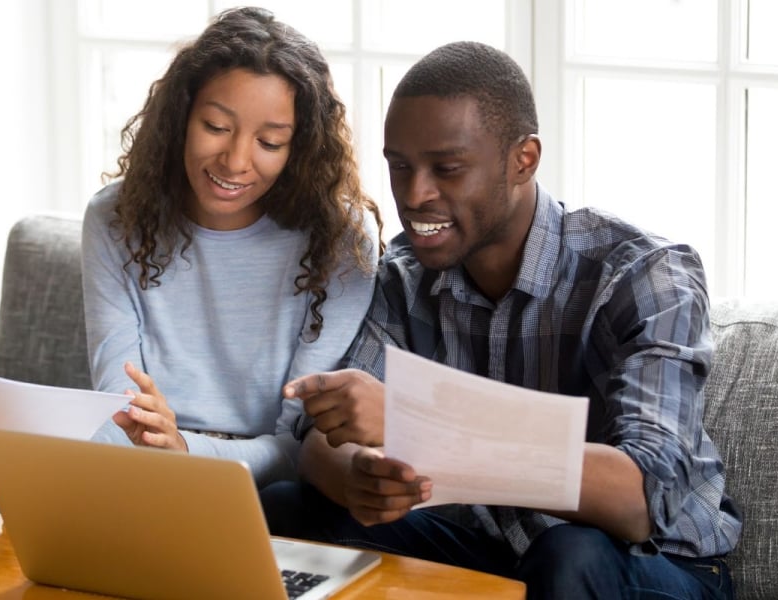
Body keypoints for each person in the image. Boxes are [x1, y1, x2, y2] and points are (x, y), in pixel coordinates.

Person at [261, 41, 743, 598]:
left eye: (447, 169)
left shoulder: (643, 275)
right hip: (494, 556)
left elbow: (642, 500)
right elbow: (323, 442)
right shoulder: (402, 275)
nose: (415, 195)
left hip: (649, 566)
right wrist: (361, 479)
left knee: (568, 555)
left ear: (524, 160)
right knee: (288, 509)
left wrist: (420, 424)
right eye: (400, 167)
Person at [81, 7, 382, 489]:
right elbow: (118, 407)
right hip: (139, 469)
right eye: (216, 128)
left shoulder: (342, 239)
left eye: (269, 141)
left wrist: (182, 449)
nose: (236, 160)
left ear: (298, 148)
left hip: (263, 485)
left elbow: (297, 446)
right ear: (181, 118)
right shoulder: (115, 217)